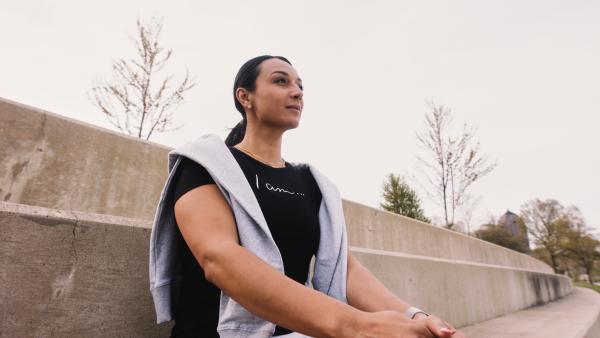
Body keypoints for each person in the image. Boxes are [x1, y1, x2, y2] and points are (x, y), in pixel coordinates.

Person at [148, 55, 466, 338]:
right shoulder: (206, 165)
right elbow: (219, 258)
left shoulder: (313, 185)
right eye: (281, 81)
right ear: (245, 97)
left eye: (300, 85)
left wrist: (417, 318)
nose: (297, 92)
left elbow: (347, 271)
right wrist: (358, 325)